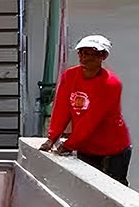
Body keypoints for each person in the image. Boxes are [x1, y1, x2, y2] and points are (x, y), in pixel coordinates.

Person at [40, 35, 131, 185]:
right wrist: (52, 137)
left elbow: (92, 119)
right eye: (81, 52)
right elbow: (61, 109)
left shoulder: (111, 84)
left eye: (89, 53)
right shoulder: (70, 76)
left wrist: (69, 145)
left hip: (112, 149)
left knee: (111, 190)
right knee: (87, 189)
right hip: (86, 146)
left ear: (103, 56)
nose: (83, 57)